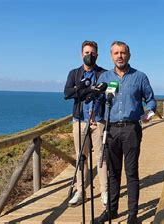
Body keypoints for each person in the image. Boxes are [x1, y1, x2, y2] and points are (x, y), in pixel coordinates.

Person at [96, 41, 156, 223]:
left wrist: (149, 113)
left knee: (131, 173)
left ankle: (132, 215)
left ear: (128, 55)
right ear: (111, 56)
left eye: (123, 53)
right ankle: (111, 211)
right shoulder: (104, 78)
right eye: (116, 53)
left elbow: (151, 101)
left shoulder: (140, 77)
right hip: (111, 130)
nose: (119, 56)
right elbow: (98, 102)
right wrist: (95, 118)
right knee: (112, 173)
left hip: (131, 129)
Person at [63, 40, 108, 207]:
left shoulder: (104, 73)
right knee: (81, 158)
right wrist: (86, 89)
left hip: (98, 120)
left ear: (97, 54)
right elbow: (67, 93)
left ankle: (104, 192)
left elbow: (108, 92)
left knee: (101, 156)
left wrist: (82, 91)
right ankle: (80, 192)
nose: (89, 55)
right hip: (79, 120)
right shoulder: (74, 73)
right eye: (86, 52)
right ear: (82, 54)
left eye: (92, 53)